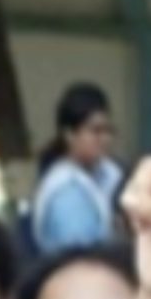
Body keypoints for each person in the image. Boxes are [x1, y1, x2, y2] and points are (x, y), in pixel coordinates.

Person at [31, 83, 122, 255]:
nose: (105, 139)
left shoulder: (104, 174)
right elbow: (83, 258)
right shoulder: (66, 193)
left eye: (108, 130)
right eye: (96, 131)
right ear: (69, 135)